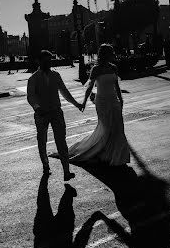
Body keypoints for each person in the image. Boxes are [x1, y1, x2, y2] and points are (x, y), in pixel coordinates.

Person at [62, 43, 130, 166]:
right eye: (111, 52)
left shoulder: (114, 67)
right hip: (102, 101)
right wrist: (84, 102)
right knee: (106, 127)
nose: (113, 54)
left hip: (114, 100)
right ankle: (103, 153)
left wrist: (121, 99)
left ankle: (118, 155)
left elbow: (116, 86)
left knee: (118, 127)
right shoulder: (96, 69)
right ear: (105, 54)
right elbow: (89, 87)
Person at [27, 50, 82, 180]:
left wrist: (76, 104)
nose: (48, 64)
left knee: (61, 141)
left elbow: (64, 92)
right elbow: (30, 96)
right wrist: (37, 108)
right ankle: (45, 165)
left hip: (56, 112)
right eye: (45, 61)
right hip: (41, 114)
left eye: (50, 61)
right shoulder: (33, 78)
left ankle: (66, 171)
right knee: (42, 141)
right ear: (39, 62)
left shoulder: (56, 75)